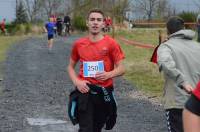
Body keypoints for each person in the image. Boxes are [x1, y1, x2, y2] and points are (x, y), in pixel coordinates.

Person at [67, 8, 125, 132]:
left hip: (103, 92)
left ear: (104, 23)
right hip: (85, 90)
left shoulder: (111, 44)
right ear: (87, 22)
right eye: (92, 19)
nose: (95, 22)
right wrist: (77, 82)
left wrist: (108, 74)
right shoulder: (79, 44)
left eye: (99, 20)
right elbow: (70, 67)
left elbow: (122, 68)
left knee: (96, 127)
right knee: (86, 128)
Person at [157, 16, 200, 132]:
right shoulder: (197, 46)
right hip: (197, 103)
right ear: (184, 28)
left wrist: (182, 81)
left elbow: (165, 62)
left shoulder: (166, 46)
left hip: (177, 103)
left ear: (168, 31)